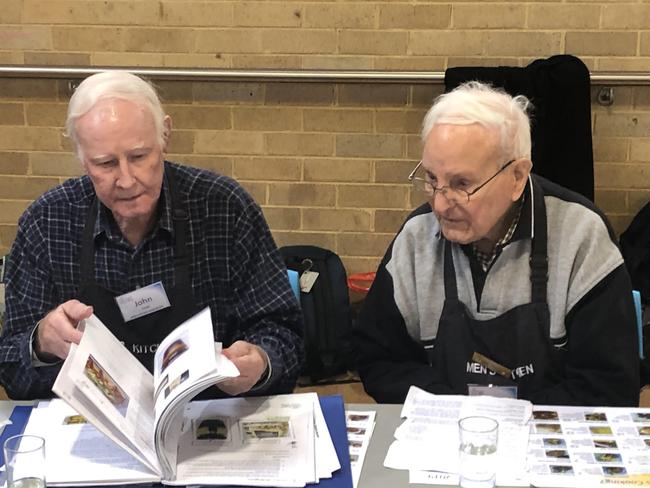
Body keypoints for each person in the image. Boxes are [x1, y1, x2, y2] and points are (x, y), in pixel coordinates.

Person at [0, 71, 304, 400]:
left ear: (165, 137)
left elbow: (285, 335)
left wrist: (260, 363)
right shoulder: (47, 222)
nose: (127, 180)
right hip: (92, 429)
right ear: (82, 159)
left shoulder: (225, 209)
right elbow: (11, 369)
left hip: (206, 421)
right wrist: (41, 343)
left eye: (139, 157)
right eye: (105, 164)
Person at [354, 81, 640, 407]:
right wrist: (462, 413)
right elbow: (378, 360)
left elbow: (609, 386)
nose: (440, 205)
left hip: (546, 443)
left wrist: (508, 420)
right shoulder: (417, 238)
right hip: (445, 434)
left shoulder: (581, 236)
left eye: (462, 184)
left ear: (517, 177)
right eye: (432, 179)